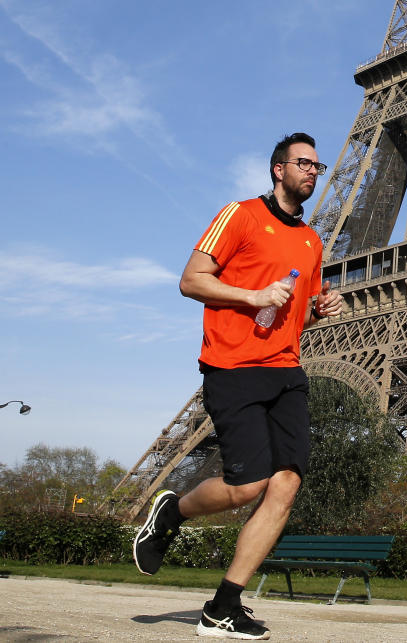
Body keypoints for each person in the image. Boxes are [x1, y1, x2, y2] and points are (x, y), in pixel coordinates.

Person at [133, 132, 343, 640]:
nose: (313, 170)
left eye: (318, 164)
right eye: (303, 163)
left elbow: (292, 317)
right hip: (233, 367)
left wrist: (319, 312)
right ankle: (172, 510)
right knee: (246, 485)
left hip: (286, 370)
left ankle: (223, 605)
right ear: (278, 169)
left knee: (286, 484)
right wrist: (252, 295)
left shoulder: (313, 241)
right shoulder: (241, 215)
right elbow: (192, 280)